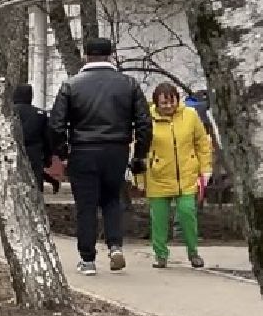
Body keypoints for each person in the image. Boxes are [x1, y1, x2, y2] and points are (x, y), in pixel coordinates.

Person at [49, 38, 152, 275]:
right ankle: (115, 246)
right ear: (110, 55)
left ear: (86, 55)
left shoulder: (71, 85)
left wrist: (63, 153)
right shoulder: (128, 84)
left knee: (86, 205)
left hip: (83, 150)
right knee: (112, 199)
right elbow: (144, 123)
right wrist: (139, 155)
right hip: (116, 150)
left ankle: (87, 259)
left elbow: (56, 124)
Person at [140, 81, 214, 270]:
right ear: (156, 103)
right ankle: (160, 255)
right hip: (158, 176)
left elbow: (202, 143)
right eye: (163, 103)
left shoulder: (190, 115)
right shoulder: (147, 119)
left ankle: (193, 252)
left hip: (187, 175)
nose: (168, 106)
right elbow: (140, 147)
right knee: (159, 219)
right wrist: (139, 175)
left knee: (187, 213)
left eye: (171, 101)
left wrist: (205, 169)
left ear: (177, 100)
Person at [12, 84, 52, 194]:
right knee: (35, 182)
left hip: (12, 151)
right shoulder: (40, 114)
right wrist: (47, 157)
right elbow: (47, 138)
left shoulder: (9, 113)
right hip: (34, 153)